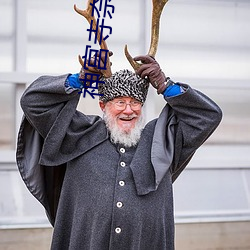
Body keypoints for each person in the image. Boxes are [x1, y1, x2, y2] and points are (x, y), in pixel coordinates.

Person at [16, 53, 222, 250]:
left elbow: (208, 116)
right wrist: (79, 80)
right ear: (103, 105)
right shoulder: (79, 132)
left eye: (135, 103)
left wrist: (165, 86)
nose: (128, 110)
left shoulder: (163, 139)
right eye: (120, 102)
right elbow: (32, 102)